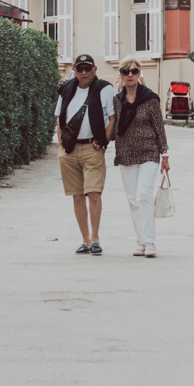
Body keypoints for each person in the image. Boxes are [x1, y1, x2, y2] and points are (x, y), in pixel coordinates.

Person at [55, 53, 116, 254]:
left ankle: (96, 239)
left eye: (87, 69)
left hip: (92, 148)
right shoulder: (65, 90)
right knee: (77, 196)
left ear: (94, 70)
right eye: (79, 69)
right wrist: (60, 148)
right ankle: (85, 240)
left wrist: (104, 141)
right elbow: (60, 120)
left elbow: (112, 119)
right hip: (69, 150)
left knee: (94, 193)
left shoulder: (104, 88)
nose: (83, 72)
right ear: (74, 69)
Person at [112, 56, 170, 257]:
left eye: (134, 71)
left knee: (143, 195)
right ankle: (140, 241)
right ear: (120, 74)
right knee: (132, 200)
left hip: (148, 153)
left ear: (139, 74)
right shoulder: (117, 101)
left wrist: (165, 153)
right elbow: (113, 127)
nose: (130, 75)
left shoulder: (150, 99)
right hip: (126, 154)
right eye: (126, 71)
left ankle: (150, 242)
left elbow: (159, 127)